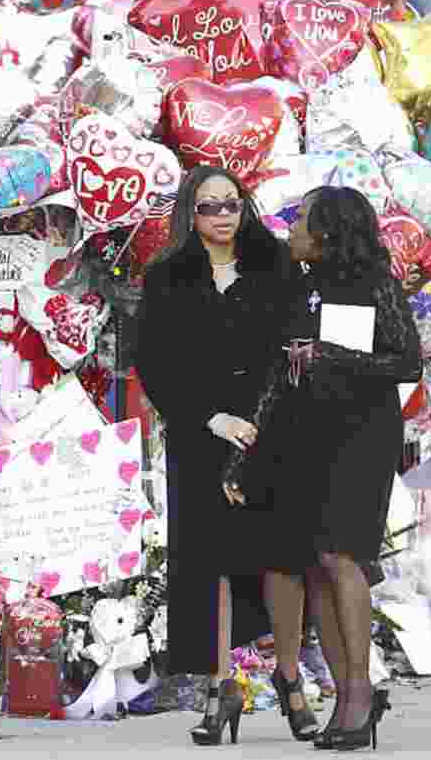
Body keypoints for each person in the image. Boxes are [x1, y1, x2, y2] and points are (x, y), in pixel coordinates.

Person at [223, 186, 422, 750]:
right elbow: (275, 376)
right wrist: (243, 452)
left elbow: (407, 361)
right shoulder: (297, 286)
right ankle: (345, 698)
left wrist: (330, 354)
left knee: (342, 555)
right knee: (315, 567)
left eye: (302, 219)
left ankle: (359, 693)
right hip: (304, 435)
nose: (292, 228)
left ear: (329, 230)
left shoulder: (375, 283)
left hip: (362, 434)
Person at [136, 165, 317, 745]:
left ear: (244, 208)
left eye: (231, 204)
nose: (221, 216)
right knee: (209, 560)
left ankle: (289, 676)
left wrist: (268, 420)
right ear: (190, 212)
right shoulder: (166, 275)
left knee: (280, 558)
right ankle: (220, 687)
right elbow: (153, 360)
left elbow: (297, 348)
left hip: (272, 429)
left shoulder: (275, 264)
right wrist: (207, 418)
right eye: (209, 206)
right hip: (200, 433)